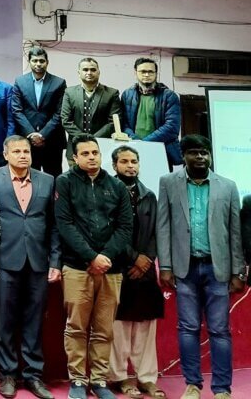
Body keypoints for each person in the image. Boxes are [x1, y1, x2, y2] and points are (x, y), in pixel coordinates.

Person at [157, 134, 246, 399]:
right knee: (188, 328)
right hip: (184, 270)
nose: (200, 157)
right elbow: (163, 226)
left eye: (204, 152)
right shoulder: (168, 183)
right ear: (183, 156)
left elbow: (235, 232)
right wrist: (166, 265)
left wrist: (237, 271)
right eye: (194, 152)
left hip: (218, 269)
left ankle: (221, 389)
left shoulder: (227, 186)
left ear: (210, 155)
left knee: (220, 330)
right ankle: (193, 385)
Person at [55, 133, 133, 399]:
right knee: (76, 327)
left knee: (104, 329)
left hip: (111, 269)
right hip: (77, 267)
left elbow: (125, 228)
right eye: (85, 154)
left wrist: (105, 257)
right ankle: (77, 380)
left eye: (95, 153)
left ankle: (98, 381)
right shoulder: (64, 183)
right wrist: (91, 257)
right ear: (74, 158)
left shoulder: (117, 186)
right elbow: (64, 224)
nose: (92, 158)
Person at [0, 135, 58, 399]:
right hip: (5, 259)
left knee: (34, 321)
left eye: (26, 151)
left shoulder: (47, 181)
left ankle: (33, 375)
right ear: (5, 154)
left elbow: (54, 225)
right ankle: (8, 375)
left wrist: (55, 261)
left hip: (38, 261)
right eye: (17, 151)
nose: (23, 155)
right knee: (4, 320)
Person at [107, 145, 165, 399]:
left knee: (145, 327)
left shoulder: (149, 195)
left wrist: (147, 259)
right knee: (119, 328)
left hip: (145, 271)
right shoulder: (106, 192)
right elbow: (108, 231)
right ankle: (120, 377)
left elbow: (156, 231)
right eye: (124, 161)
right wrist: (133, 258)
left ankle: (147, 378)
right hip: (119, 267)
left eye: (134, 161)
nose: (130, 165)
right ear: (114, 165)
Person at [12, 47, 67, 176]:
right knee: (29, 176)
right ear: (29, 62)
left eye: (41, 61)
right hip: (27, 140)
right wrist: (31, 134)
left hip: (52, 139)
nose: (38, 64)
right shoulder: (20, 82)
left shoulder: (59, 83)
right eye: (34, 60)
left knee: (54, 177)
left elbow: (59, 112)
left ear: (47, 62)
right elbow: (17, 110)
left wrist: (42, 135)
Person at [120, 58, 182, 166]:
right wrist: (135, 141)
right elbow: (123, 123)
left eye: (150, 72)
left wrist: (145, 143)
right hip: (133, 151)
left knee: (159, 182)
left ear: (156, 74)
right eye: (143, 71)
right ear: (135, 73)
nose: (147, 75)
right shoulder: (127, 95)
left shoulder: (169, 96)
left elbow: (172, 127)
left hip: (161, 151)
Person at [61, 58, 123, 163]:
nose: (89, 72)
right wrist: (83, 139)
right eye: (85, 70)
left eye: (93, 70)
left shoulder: (111, 93)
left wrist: (93, 139)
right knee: (76, 179)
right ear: (79, 73)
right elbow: (65, 120)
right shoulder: (69, 92)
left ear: (99, 72)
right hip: (75, 151)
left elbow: (113, 121)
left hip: (102, 150)